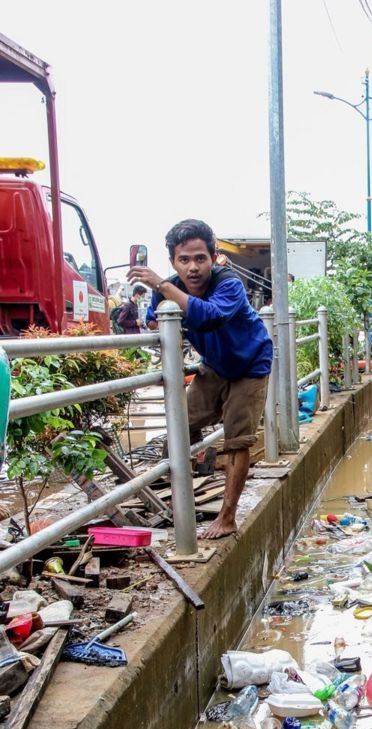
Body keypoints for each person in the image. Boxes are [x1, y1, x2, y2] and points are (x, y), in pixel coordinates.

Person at [127, 218, 272, 540]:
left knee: (237, 440)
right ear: (173, 261)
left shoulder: (228, 283)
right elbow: (156, 324)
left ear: (213, 257)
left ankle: (227, 516)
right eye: (184, 260)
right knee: (180, 426)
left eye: (200, 258)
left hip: (250, 364)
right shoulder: (165, 290)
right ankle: (180, 496)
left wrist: (164, 288)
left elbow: (210, 317)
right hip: (215, 365)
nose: (192, 267)